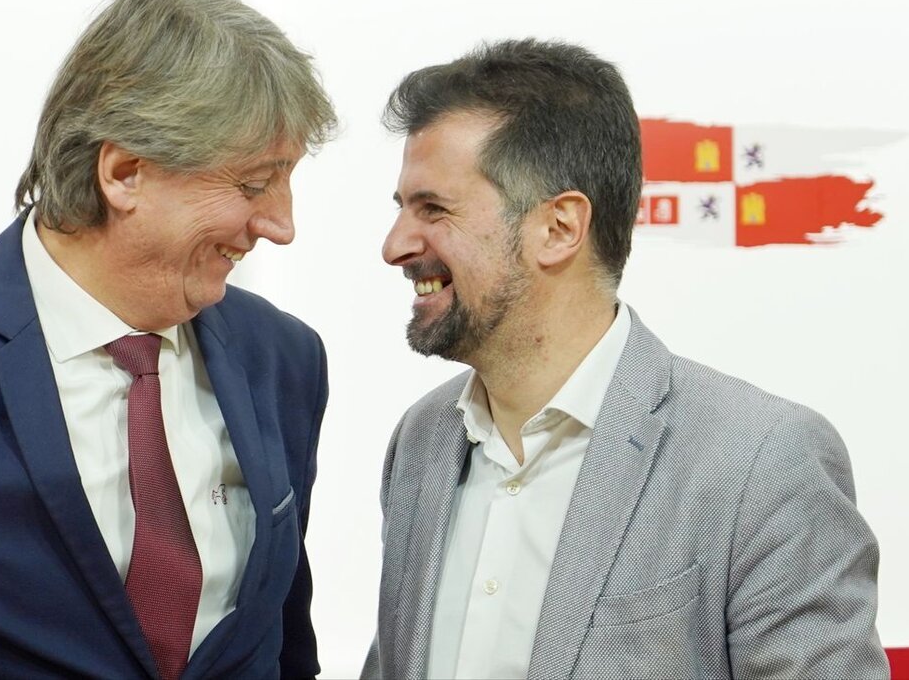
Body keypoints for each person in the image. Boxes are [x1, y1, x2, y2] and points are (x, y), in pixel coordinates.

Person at [0, 0, 335, 679]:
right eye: (253, 184)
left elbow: (282, 643)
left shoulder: (283, 357)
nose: (281, 225)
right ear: (124, 173)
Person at [362, 39, 887, 679]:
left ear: (558, 228)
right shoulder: (422, 441)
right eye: (402, 210)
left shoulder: (761, 460)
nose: (395, 245)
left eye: (433, 209)